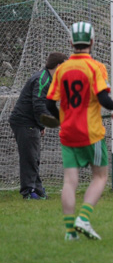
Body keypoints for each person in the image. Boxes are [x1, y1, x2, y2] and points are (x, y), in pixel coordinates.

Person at [46, 21, 113, 241]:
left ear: (71, 42)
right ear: (91, 42)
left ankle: (70, 232)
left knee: (69, 182)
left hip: (68, 133)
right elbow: (103, 98)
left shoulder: (61, 69)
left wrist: (60, 120)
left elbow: (49, 103)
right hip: (91, 133)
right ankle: (84, 217)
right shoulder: (95, 67)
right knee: (100, 177)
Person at [9, 52, 68, 200]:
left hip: (31, 122)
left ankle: (38, 189)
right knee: (29, 157)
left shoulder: (49, 79)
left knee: (34, 157)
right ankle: (28, 191)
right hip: (24, 122)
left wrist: (42, 125)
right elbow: (39, 106)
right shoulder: (42, 79)